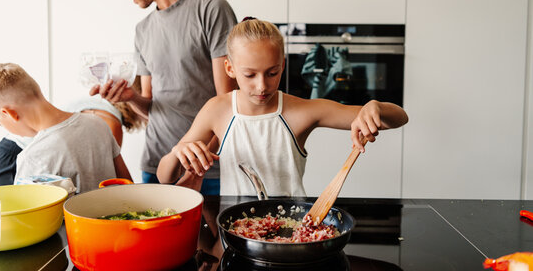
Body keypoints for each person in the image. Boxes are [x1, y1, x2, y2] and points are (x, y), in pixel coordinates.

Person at [157, 19, 409, 196]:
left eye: (272, 72)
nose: (262, 86)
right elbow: (164, 176)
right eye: (250, 75)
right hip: (234, 232)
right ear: (230, 69)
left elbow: (399, 117)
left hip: (291, 232)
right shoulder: (217, 110)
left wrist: (375, 107)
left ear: (282, 65)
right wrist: (179, 151)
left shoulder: (300, 111)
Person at [93, 0, 237, 194]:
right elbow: (151, 107)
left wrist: (198, 164)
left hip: (208, 170)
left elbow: (228, 104)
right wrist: (130, 97)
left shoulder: (210, 9)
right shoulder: (143, 31)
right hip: (156, 168)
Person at [0, 63, 132, 193]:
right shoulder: (98, 123)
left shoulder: (32, 157)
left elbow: (27, 217)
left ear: (9, 113)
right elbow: (127, 185)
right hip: (114, 217)